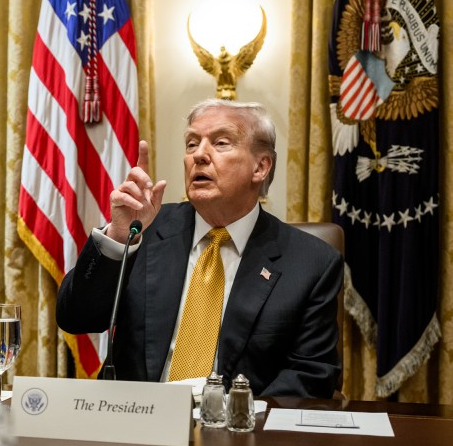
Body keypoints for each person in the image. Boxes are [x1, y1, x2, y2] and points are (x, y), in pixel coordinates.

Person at [56, 99, 342, 397]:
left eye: (220, 143)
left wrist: (229, 418)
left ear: (261, 166)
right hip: (135, 424)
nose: (199, 155)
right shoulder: (144, 229)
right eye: (192, 144)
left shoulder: (311, 263)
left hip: (238, 434)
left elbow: (311, 376)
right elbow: (76, 318)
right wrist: (117, 236)